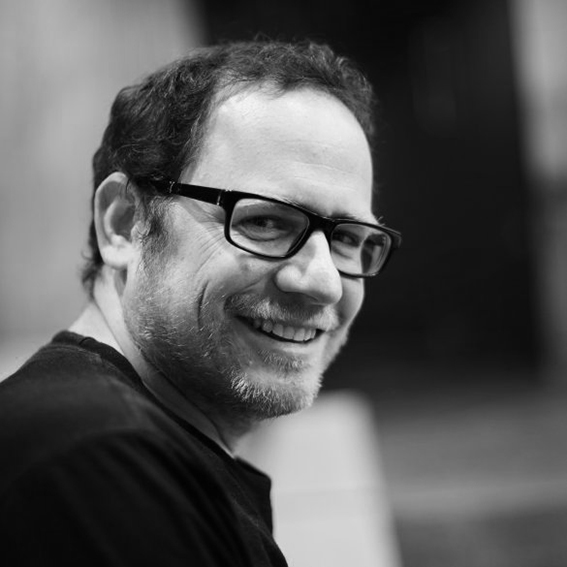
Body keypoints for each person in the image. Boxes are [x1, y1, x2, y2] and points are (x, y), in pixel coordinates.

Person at [0, 39, 401, 566]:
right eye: (265, 221)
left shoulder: (131, 449)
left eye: (347, 238)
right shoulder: (96, 460)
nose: (324, 283)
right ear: (123, 223)